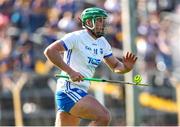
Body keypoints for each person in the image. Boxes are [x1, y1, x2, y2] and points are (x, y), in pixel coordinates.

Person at [44, 7, 137, 126]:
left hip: (81, 90)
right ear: (88, 22)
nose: (103, 24)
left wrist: (126, 68)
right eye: (99, 20)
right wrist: (70, 72)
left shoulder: (103, 43)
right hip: (69, 90)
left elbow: (115, 66)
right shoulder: (76, 37)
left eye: (104, 20)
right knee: (103, 116)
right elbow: (50, 51)